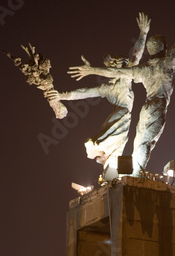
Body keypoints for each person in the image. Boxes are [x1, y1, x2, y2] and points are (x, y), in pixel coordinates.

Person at [68, 0, 175, 175]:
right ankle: (136, 176)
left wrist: (93, 70)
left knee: (140, 142)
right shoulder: (168, 62)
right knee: (145, 142)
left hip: (147, 107)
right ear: (164, 48)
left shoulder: (145, 69)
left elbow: (117, 71)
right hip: (157, 106)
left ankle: (133, 174)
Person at [47, 13, 151, 178]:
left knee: (116, 151)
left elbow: (135, 56)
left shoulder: (117, 82)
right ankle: (109, 167)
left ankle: (109, 174)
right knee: (116, 143)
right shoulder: (116, 84)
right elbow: (86, 92)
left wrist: (143, 34)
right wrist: (62, 96)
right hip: (121, 115)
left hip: (121, 117)